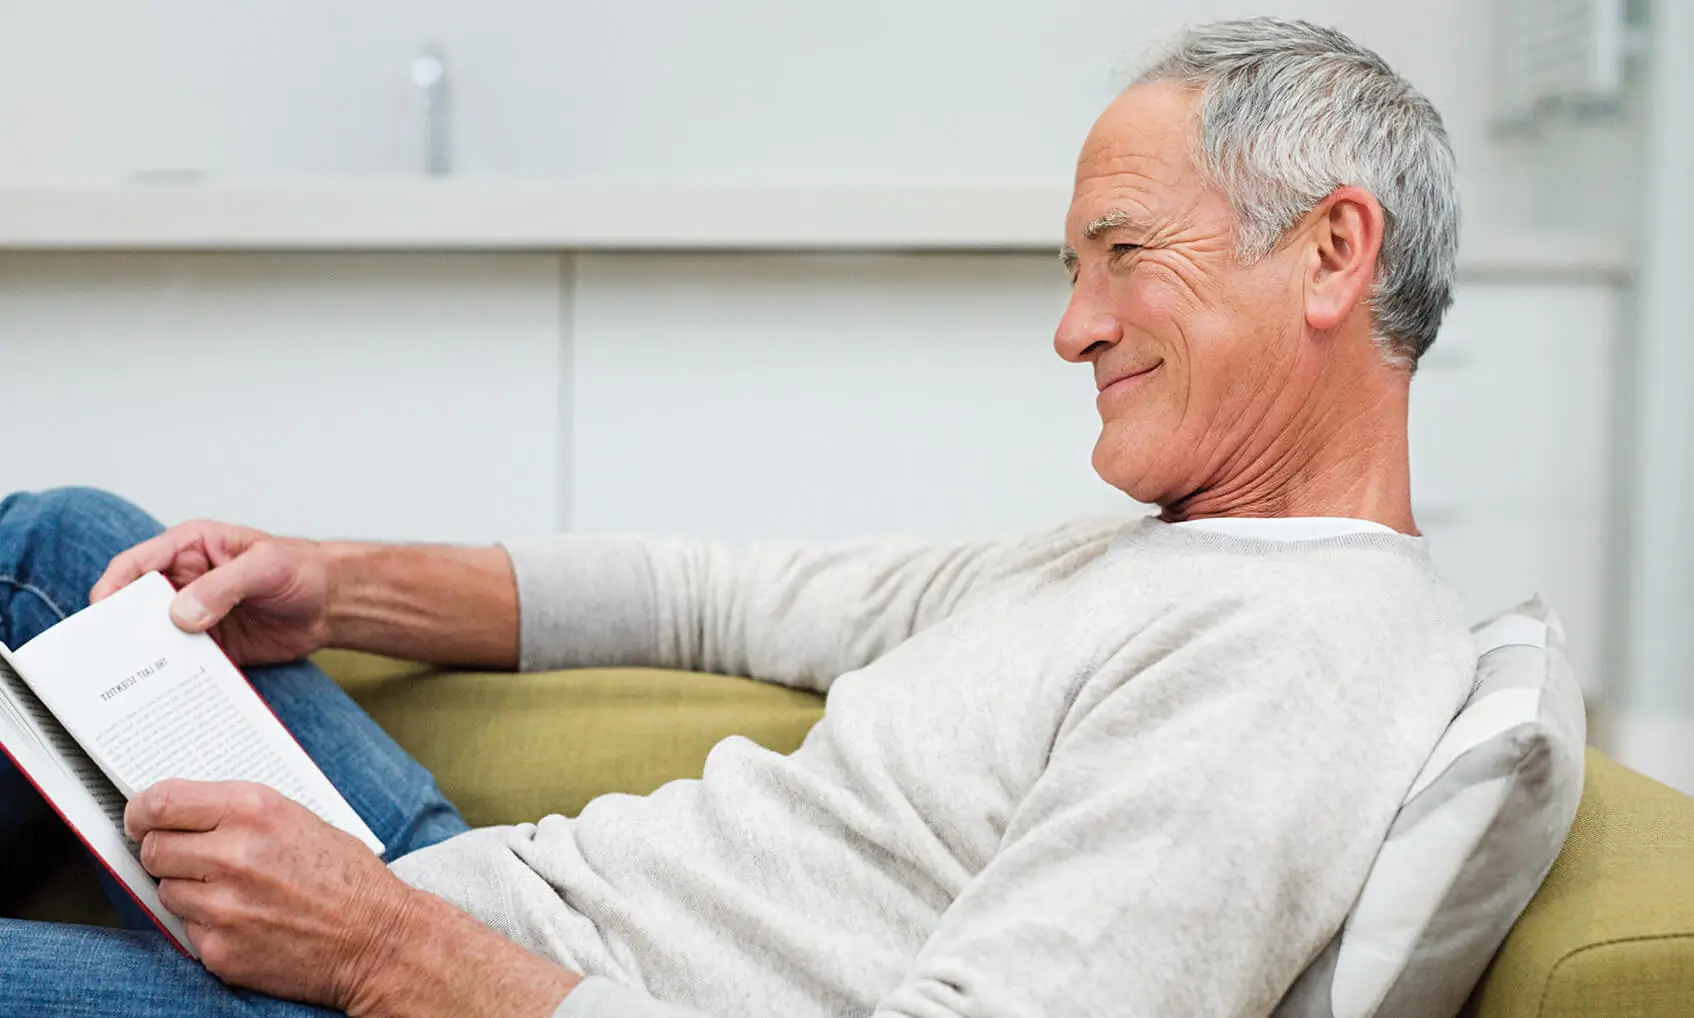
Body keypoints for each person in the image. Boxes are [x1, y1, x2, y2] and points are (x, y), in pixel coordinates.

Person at [0, 17, 1475, 1018]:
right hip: (485, 916)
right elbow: (720, 595)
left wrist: (382, 948)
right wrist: (332, 583)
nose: (1072, 327)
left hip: (437, 980)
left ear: (1331, 252)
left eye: (1121, 255)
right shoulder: (1177, 547)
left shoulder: (1287, 662)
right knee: (71, 547)